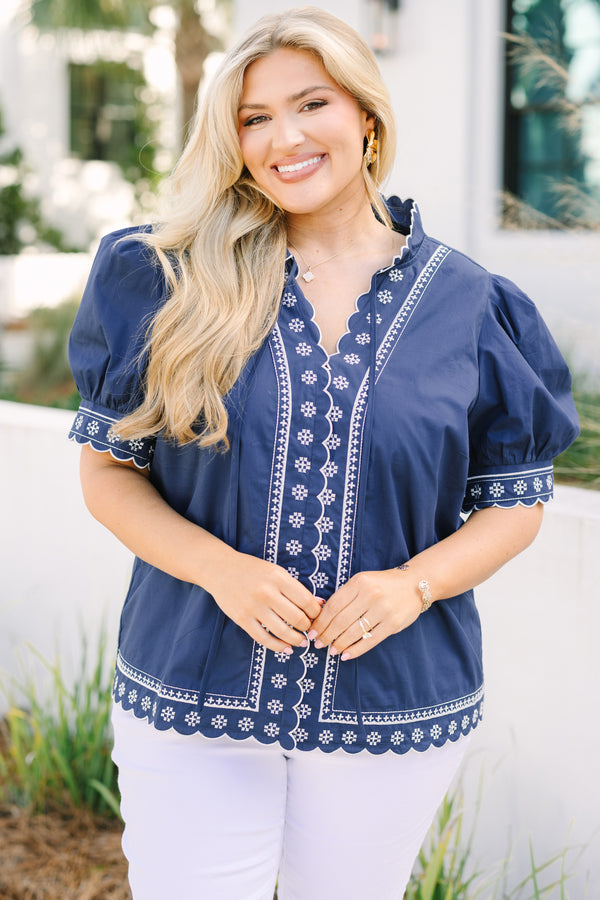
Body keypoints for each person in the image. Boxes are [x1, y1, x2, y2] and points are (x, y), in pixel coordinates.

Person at [68, 7, 579, 899]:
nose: (285, 138)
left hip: (392, 698)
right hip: (193, 684)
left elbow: (515, 500)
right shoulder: (166, 276)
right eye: (255, 118)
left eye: (312, 104)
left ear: (367, 117)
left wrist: (413, 584)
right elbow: (109, 472)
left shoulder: (472, 304)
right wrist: (220, 570)